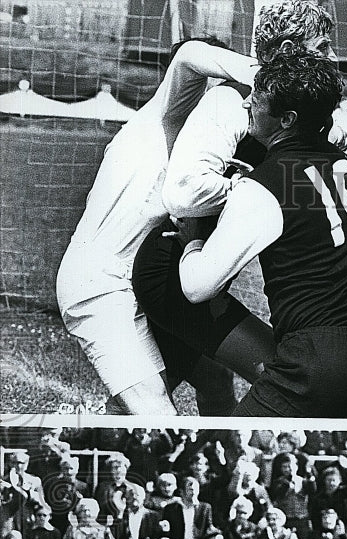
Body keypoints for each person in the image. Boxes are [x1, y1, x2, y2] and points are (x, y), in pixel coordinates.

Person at [142, 48, 347, 419]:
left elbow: (196, 287)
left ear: (287, 119)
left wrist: (194, 237)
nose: (246, 104)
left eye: (257, 100)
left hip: (317, 360)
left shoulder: (263, 185)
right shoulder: (342, 164)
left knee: (229, 455)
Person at [55, 39, 258, 414]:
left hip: (150, 287)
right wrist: (257, 72)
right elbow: (189, 55)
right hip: (99, 285)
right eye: (220, 84)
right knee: (155, 408)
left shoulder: (202, 154)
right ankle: (85, 436)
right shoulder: (164, 115)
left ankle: (227, 467)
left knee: (214, 380)